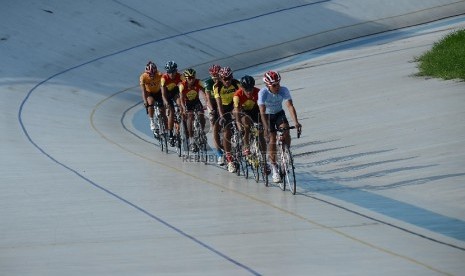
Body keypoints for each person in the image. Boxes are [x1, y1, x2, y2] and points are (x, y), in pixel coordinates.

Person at [257, 70, 302, 183]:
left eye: (278, 83)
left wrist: (296, 122)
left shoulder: (283, 90)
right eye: (274, 85)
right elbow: (262, 111)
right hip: (267, 115)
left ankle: (286, 153)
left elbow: (290, 106)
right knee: (272, 139)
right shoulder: (263, 93)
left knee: (286, 129)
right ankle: (274, 167)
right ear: (268, 85)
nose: (278, 87)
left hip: (278, 113)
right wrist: (266, 127)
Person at [213, 66, 241, 172]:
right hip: (223, 107)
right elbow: (218, 103)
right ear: (220, 78)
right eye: (225, 79)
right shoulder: (217, 86)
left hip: (234, 105)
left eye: (229, 78)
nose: (228, 81)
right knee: (226, 131)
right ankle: (229, 159)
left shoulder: (236, 83)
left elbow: (241, 97)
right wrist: (221, 116)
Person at [178, 68, 210, 152]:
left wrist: (207, 102)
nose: (191, 80)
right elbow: (181, 99)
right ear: (186, 78)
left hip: (196, 101)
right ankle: (191, 140)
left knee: (201, 114)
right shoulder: (182, 85)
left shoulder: (198, 82)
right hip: (187, 102)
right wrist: (184, 108)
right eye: (189, 78)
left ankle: (201, 132)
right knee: (190, 117)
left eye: (193, 78)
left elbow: (204, 92)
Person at [233, 75, 265, 156]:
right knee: (246, 126)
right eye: (246, 90)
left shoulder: (259, 92)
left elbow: (263, 109)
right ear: (242, 88)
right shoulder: (237, 95)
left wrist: (264, 124)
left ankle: (264, 157)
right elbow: (237, 113)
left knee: (260, 132)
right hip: (243, 111)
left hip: (255, 110)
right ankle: (246, 146)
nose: (249, 92)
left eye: (251, 89)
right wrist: (240, 127)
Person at [204, 64, 223, 163]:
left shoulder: (223, 80)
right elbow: (207, 98)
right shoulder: (208, 83)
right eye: (214, 77)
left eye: (218, 77)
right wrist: (212, 110)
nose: (216, 79)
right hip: (212, 103)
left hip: (222, 103)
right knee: (214, 126)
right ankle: (219, 153)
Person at [161, 60, 183, 146]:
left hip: (174, 92)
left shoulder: (179, 76)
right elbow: (163, 94)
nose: (172, 74)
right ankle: (170, 134)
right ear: (167, 72)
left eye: (173, 71)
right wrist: (166, 102)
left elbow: (185, 85)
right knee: (171, 112)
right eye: (169, 72)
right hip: (166, 95)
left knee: (180, 104)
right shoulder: (164, 78)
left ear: (176, 71)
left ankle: (182, 124)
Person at [140, 61, 165, 137]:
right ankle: (152, 121)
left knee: (162, 109)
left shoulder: (160, 75)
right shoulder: (143, 77)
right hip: (149, 93)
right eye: (150, 74)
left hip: (158, 92)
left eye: (153, 74)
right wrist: (145, 101)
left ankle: (163, 124)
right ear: (146, 73)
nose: (152, 76)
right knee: (150, 103)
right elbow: (143, 91)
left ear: (156, 71)